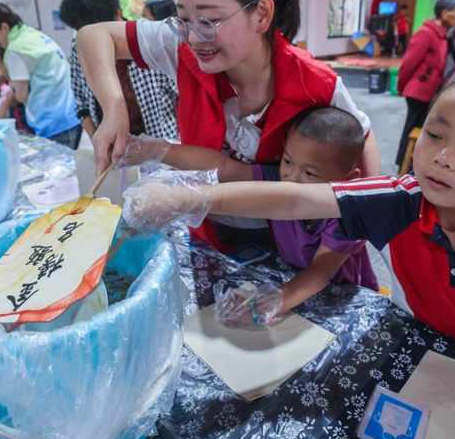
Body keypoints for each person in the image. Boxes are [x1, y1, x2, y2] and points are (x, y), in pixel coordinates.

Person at [125, 69, 455, 439]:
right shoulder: (399, 198)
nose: (443, 157)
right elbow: (296, 199)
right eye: (435, 135)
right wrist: (189, 198)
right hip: (423, 342)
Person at [77, 0, 379, 250]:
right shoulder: (181, 46)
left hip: (293, 239)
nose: (194, 37)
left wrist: (364, 213)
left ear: (261, 13)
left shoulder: (314, 82)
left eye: (209, 20)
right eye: (183, 19)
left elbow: (362, 141)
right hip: (210, 228)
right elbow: (92, 36)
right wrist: (114, 107)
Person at [123, 106, 377, 324]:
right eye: (288, 162)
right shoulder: (275, 180)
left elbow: (321, 272)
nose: (292, 178)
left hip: (340, 298)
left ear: (349, 179)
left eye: (310, 174)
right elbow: (224, 167)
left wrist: (274, 301)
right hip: (295, 281)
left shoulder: (346, 216)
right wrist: (157, 151)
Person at [59, 0, 178, 141]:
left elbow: (181, 97)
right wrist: (100, 142)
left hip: (161, 145)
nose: (95, 49)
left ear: (118, 14)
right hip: (114, 149)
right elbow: (81, 103)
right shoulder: (78, 48)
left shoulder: (149, 42)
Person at [0, 3, 81, 147]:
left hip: (51, 120)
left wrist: (2, 109)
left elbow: (20, 96)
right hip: (69, 114)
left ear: (4, 27)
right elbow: (17, 73)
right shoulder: (32, 36)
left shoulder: (15, 49)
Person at [394, 0, 455, 167]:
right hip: (418, 92)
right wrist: (402, 87)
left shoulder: (442, 35)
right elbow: (408, 64)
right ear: (445, 12)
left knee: (420, 130)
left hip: (428, 92)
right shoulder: (426, 33)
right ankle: (402, 165)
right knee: (411, 130)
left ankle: (410, 164)